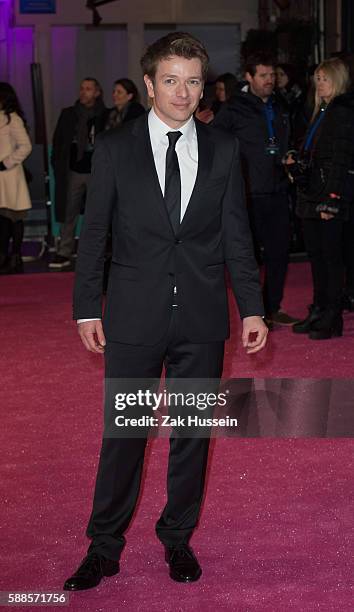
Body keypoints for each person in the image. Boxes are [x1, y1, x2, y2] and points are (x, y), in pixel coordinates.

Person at [64, 31, 267, 591]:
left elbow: (237, 237)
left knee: (192, 434)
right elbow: (95, 234)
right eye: (171, 80)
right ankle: (104, 546)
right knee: (125, 435)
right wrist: (87, 308)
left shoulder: (223, 149)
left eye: (194, 80)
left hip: (201, 318)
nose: (182, 91)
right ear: (150, 84)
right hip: (133, 316)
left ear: (205, 86)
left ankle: (177, 537)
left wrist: (251, 307)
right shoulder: (115, 147)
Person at [214, 54, 299, 327]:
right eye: (263, 75)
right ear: (249, 77)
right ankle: (254, 312)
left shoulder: (281, 104)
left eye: (271, 75)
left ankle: (272, 308)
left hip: (277, 189)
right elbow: (215, 140)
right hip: (247, 194)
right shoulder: (234, 107)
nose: (269, 80)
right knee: (248, 256)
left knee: (279, 252)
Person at [289, 58, 354, 339]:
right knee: (316, 258)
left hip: (328, 194)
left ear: (337, 80)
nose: (319, 83)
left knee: (331, 259)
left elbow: (342, 159)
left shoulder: (341, 111)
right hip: (312, 192)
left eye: (324, 78)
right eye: (317, 78)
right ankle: (319, 309)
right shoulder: (321, 110)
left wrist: (333, 198)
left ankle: (332, 316)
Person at [49, 78, 107, 269]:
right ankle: (64, 250)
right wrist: (57, 164)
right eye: (82, 88)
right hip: (73, 170)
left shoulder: (105, 115)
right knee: (68, 212)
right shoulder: (69, 114)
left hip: (97, 172)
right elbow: (59, 142)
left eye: (88, 89)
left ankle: (93, 252)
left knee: (97, 214)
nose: (84, 92)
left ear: (97, 92)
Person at [0, 82, 32, 274]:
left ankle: (15, 255)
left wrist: (7, 162)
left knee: (13, 218)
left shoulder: (13, 119)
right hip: (1, 177)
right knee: (2, 219)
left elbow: (25, 146)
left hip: (11, 175)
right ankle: (3, 255)